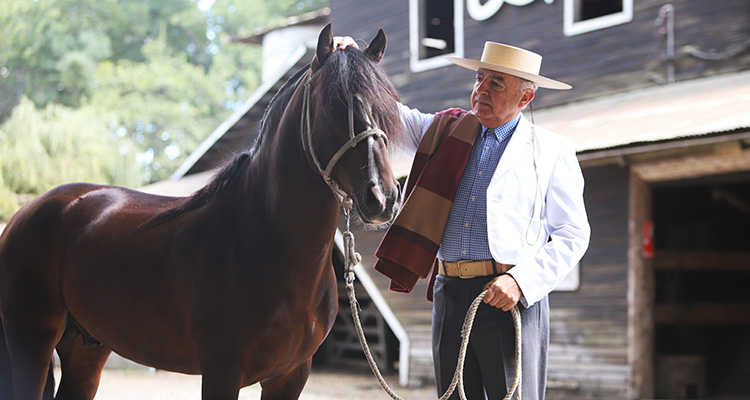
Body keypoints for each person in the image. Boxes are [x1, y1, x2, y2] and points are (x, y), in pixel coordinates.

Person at [334, 38, 590, 399]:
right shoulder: (443, 130)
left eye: (496, 84)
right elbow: (387, 110)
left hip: (509, 296)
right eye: (479, 79)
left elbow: (573, 235)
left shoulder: (551, 151)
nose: (481, 90)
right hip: (450, 292)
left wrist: (521, 281)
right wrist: (354, 57)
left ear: (525, 98)